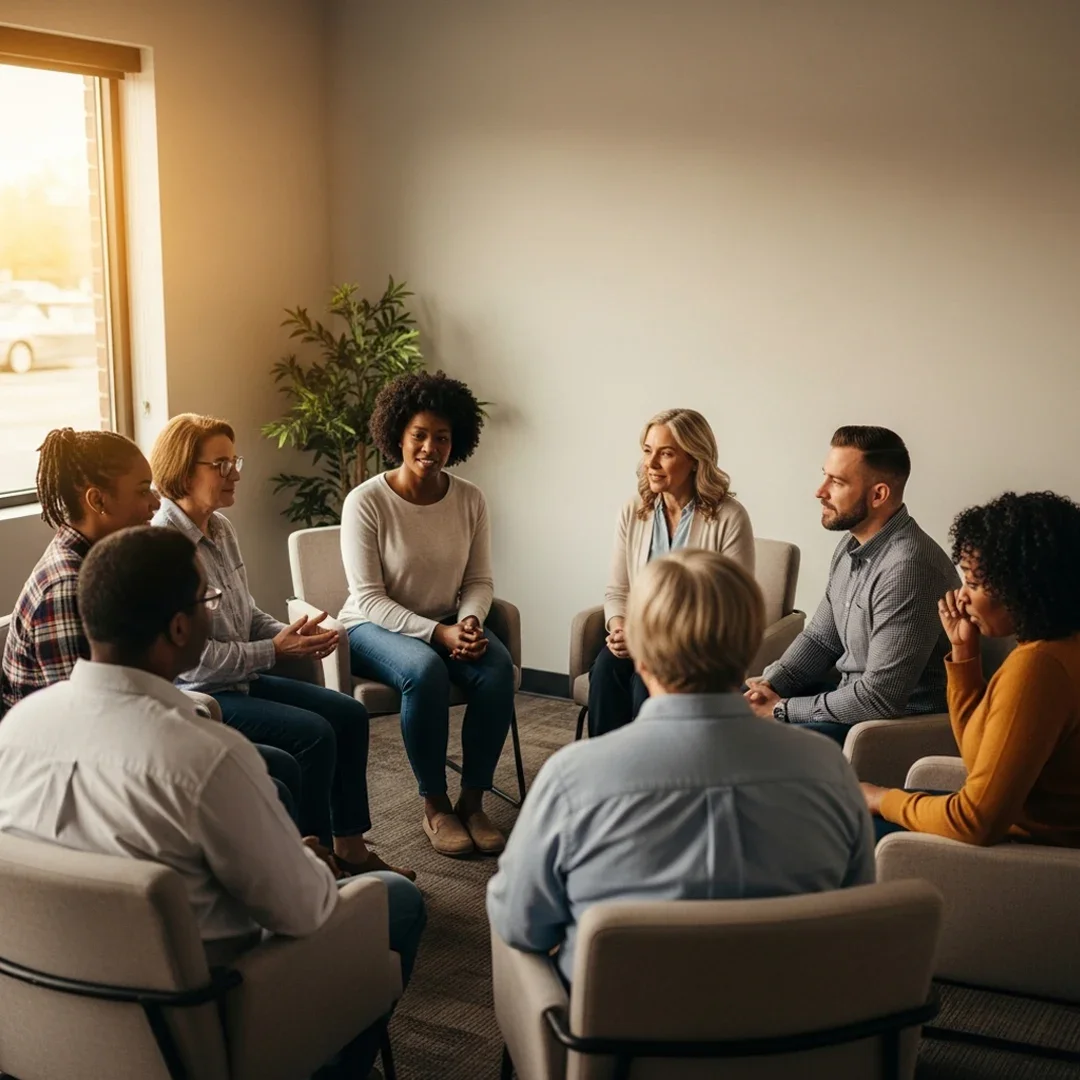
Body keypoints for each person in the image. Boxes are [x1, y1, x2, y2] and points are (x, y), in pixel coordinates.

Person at [0, 527, 425, 1075]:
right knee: (393, 899)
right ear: (179, 628)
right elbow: (305, 912)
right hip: (198, 1027)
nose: (212, 610)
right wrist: (312, 867)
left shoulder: (16, 729)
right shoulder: (206, 758)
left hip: (43, 1021)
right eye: (208, 600)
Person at [487, 549, 874, 983]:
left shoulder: (573, 779)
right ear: (750, 647)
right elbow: (855, 913)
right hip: (796, 1038)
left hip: (619, 1040)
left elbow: (518, 923)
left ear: (641, 653)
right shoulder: (829, 769)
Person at [150, 413, 411, 879]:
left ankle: (348, 847)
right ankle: (310, 866)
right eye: (221, 465)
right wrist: (277, 651)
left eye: (236, 461)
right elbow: (201, 663)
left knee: (348, 714)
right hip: (203, 696)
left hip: (241, 678)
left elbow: (246, 614)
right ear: (185, 470)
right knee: (313, 735)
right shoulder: (164, 546)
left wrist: (294, 635)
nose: (235, 474)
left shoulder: (221, 529)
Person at [0, 428, 304, 822]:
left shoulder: (106, 561)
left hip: (120, 737)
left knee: (277, 768)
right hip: (70, 779)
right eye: (143, 490)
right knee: (265, 777)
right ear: (98, 500)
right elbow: (82, 731)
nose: (156, 501)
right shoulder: (67, 589)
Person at [342, 371, 515, 858]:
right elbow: (369, 597)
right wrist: (438, 634)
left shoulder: (470, 499)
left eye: (442, 438)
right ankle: (435, 806)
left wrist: (471, 621)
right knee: (425, 671)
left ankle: (472, 802)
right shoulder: (367, 502)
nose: (430, 447)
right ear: (398, 433)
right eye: (420, 435)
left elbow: (478, 580)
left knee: (498, 670)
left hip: (447, 623)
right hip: (371, 627)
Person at [863, 492, 1080, 846]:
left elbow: (975, 822)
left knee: (830, 826)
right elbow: (980, 759)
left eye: (974, 584)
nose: (961, 596)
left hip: (1026, 850)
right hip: (1021, 829)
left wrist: (879, 798)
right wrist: (964, 651)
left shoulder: (1039, 668)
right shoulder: (1059, 647)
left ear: (1025, 587)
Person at [745, 426, 958, 746]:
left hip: (890, 727)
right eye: (825, 476)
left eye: (837, 482)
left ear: (878, 495)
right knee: (718, 710)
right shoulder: (851, 545)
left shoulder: (908, 568)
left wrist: (781, 710)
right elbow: (820, 640)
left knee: (749, 741)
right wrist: (770, 687)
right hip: (845, 700)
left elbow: (880, 699)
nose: (820, 491)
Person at [589, 408, 755, 737]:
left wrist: (659, 640)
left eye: (666, 454)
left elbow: (734, 607)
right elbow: (618, 591)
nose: (650, 464)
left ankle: (654, 776)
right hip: (639, 638)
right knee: (606, 669)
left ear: (695, 459)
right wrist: (619, 627)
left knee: (644, 685)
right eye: (648, 451)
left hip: (698, 648)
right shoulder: (634, 509)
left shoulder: (730, 517)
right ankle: (609, 772)